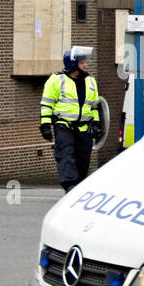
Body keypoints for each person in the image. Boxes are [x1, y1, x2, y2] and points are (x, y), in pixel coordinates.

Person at [40, 47, 101, 192]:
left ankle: (78, 188)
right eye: (82, 63)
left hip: (84, 128)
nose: (85, 65)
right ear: (73, 64)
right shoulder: (56, 80)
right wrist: (45, 125)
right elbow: (47, 104)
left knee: (83, 160)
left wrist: (97, 124)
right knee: (65, 156)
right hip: (64, 126)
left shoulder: (91, 81)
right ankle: (70, 186)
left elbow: (94, 106)